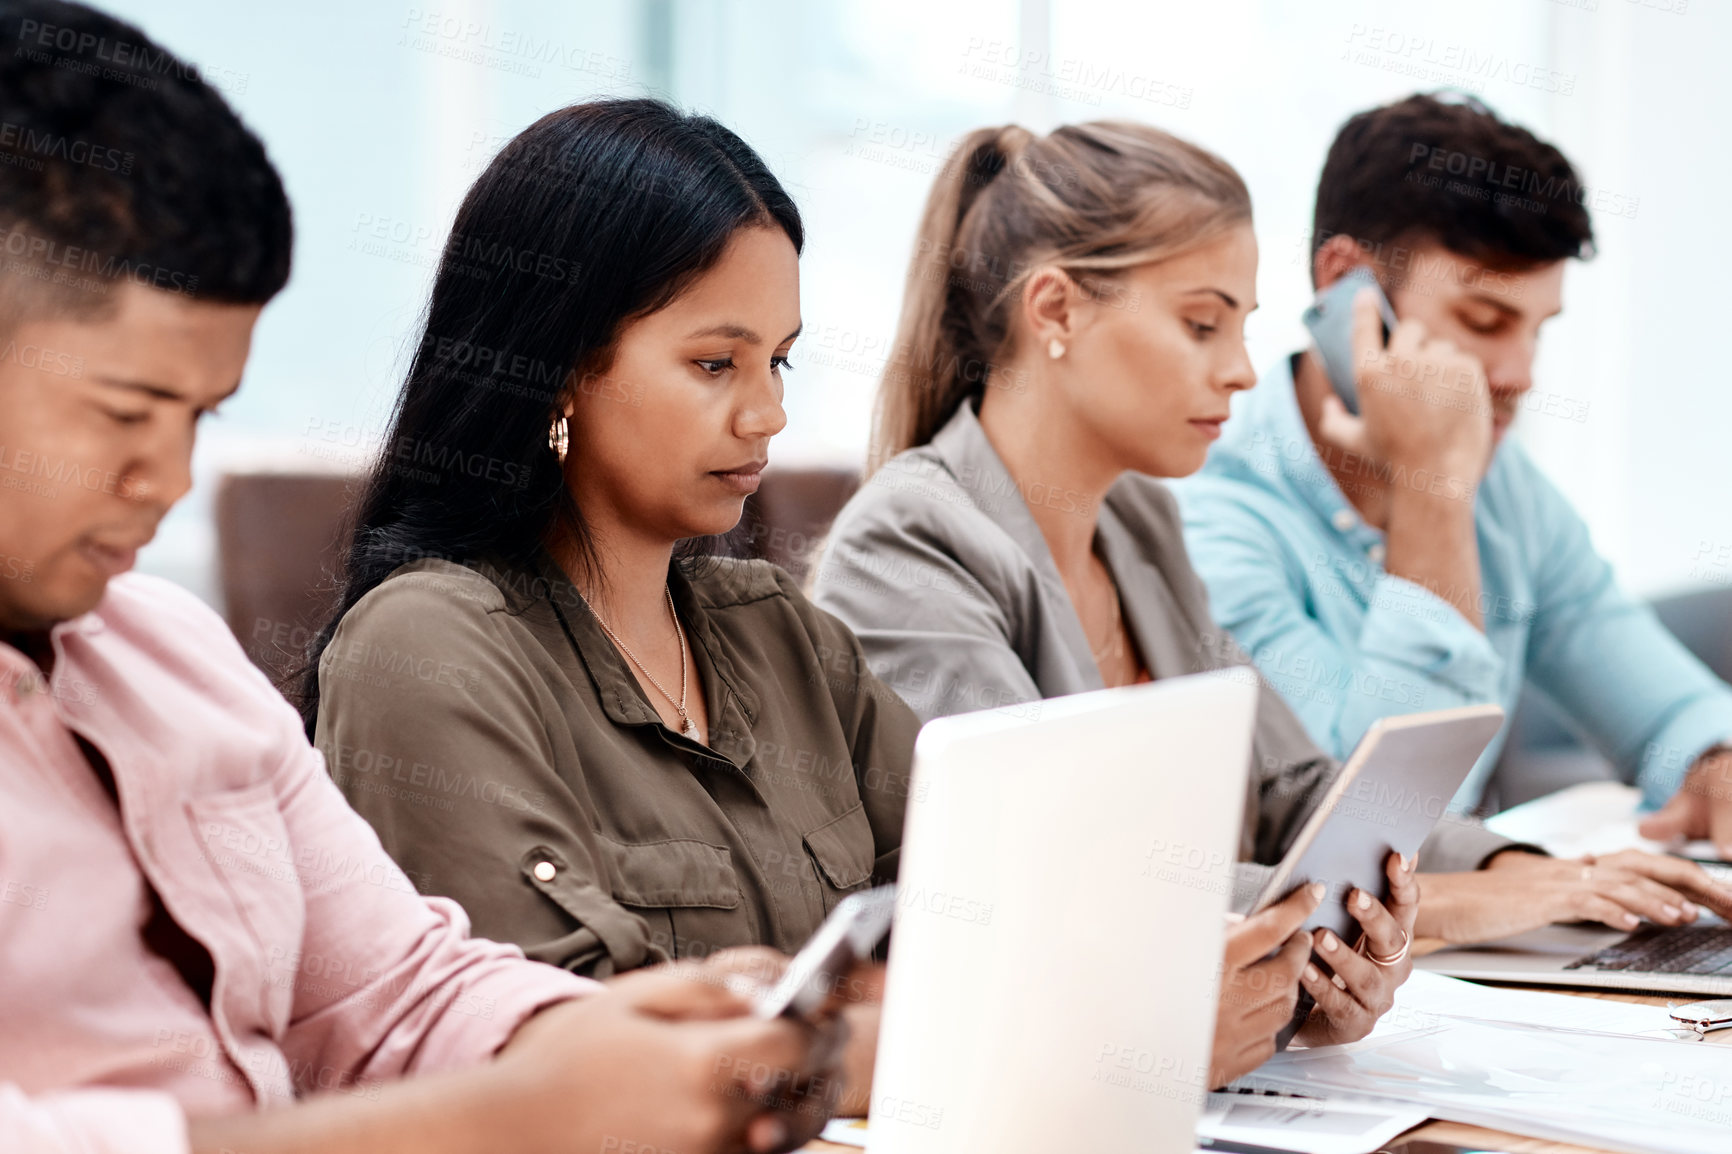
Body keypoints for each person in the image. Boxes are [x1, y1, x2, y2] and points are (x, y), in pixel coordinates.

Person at [302, 98, 1333, 1092]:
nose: (767, 413)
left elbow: (1013, 897)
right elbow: (587, 1065)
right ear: (558, 365)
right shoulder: (427, 649)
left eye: (779, 361)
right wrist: (1093, 1028)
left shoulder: (776, 631)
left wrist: (1261, 975)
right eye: (715, 362)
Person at [0, 4, 835, 1152]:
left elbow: (399, 990)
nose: (170, 477)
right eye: (128, 410)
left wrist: (590, 1037)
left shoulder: (170, 656)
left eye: (201, 415)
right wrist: (514, 1112)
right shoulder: (437, 639)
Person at [813, 120, 1434, 1048]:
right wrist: (1318, 915)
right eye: (1201, 323)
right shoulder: (910, 541)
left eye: (1242, 327)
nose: (1241, 370)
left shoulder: (1139, 522)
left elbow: (1292, 788)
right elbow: (1055, 869)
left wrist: (1368, 942)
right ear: (1055, 310)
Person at [1172, 93, 1732, 934]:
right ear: (1345, 284)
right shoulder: (1205, 513)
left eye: (1538, 330)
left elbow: (1662, 707)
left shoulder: (1509, 493)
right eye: (1484, 321)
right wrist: (1433, 487)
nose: (1519, 373)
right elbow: (1367, 828)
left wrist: (1711, 763)